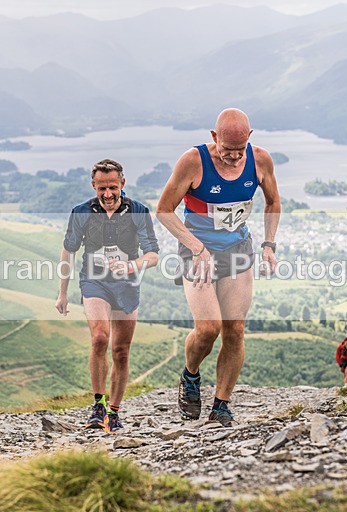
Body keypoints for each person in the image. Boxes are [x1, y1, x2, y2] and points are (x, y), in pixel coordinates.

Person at [156, 108, 281, 427]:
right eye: (227, 151)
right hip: (198, 250)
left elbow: (273, 202)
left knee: (235, 329)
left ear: (249, 140)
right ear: (214, 138)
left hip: (238, 249)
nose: (233, 157)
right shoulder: (193, 161)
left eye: (240, 151)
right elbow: (164, 210)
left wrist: (269, 244)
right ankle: (190, 376)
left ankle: (222, 404)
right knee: (208, 328)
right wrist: (196, 247)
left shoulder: (261, 160)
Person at [56, 159, 159, 433]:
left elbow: (153, 256)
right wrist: (62, 293)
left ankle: (114, 412)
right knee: (100, 337)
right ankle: (98, 404)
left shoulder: (139, 211)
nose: (108, 194)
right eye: (102, 188)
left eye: (113, 187)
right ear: (94, 186)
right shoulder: (81, 213)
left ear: (122, 184)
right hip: (94, 282)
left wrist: (131, 265)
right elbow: (69, 251)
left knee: (121, 352)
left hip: (126, 283)